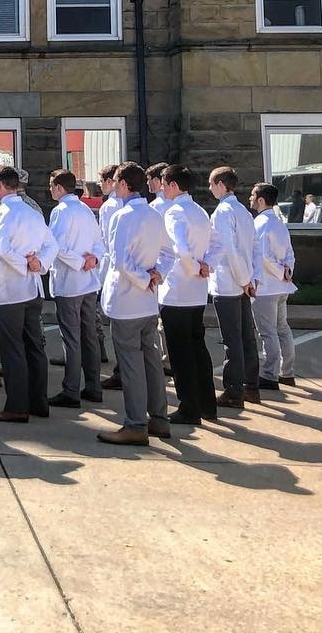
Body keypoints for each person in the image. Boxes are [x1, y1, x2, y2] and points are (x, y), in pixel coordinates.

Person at [98, 162, 170, 446]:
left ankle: (136, 423)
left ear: (125, 184)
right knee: (151, 360)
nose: (114, 185)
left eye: (116, 181)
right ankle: (160, 419)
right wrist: (156, 274)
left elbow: (119, 261)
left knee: (131, 364)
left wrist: (144, 278)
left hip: (128, 300)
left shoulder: (122, 215)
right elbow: (169, 252)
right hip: (148, 301)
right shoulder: (154, 214)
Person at [0, 166, 58, 424]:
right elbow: (52, 244)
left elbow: (0, 248)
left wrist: (25, 264)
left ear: (1, 185)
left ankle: (16, 406)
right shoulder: (32, 212)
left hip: (10, 289)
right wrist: (39, 263)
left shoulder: (2, 213)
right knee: (34, 346)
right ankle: (39, 402)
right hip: (33, 288)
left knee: (12, 348)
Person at [158, 164, 220, 426]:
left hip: (177, 291)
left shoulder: (174, 213)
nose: (161, 188)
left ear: (172, 185)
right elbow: (218, 244)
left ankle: (188, 408)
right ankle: (207, 404)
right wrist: (207, 264)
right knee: (198, 349)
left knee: (181, 353)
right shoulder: (199, 211)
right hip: (197, 291)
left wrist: (196, 266)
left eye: (163, 183)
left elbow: (181, 250)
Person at [46, 169, 106, 409]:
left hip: (70, 281)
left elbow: (56, 246)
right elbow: (99, 243)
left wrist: (81, 262)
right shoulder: (85, 209)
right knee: (89, 335)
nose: (50, 190)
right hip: (88, 281)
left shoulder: (61, 211)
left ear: (59, 188)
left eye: (52, 186)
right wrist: (94, 260)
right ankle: (93, 385)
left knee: (71, 338)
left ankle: (71, 389)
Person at [208, 165, 260, 409]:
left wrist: (243, 279)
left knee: (233, 339)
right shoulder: (243, 211)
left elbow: (230, 250)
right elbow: (253, 248)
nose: (209, 189)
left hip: (230, 284)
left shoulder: (222, 212)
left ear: (220, 184)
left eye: (211, 184)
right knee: (247, 337)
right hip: (243, 282)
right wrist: (250, 278)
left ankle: (233, 390)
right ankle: (251, 386)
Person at [250, 182, 298, 388]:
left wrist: (280, 271)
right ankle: (287, 372)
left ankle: (269, 375)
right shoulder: (279, 222)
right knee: (282, 329)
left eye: (253, 195)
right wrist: (287, 270)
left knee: (267, 332)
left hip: (266, 287)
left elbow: (263, 256)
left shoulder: (260, 223)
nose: (250, 198)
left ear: (261, 200)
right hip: (282, 286)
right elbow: (289, 252)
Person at [97, 163, 124, 390]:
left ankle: (120, 371)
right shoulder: (127, 202)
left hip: (113, 267)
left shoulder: (109, 207)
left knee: (117, 323)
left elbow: (106, 240)